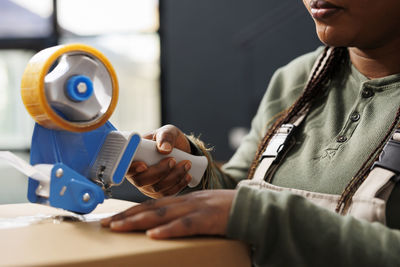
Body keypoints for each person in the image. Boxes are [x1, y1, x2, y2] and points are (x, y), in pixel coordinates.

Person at [101, 0, 400, 265]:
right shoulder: (297, 80)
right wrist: (186, 171)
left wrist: (268, 219)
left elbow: (256, 211)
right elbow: (240, 190)